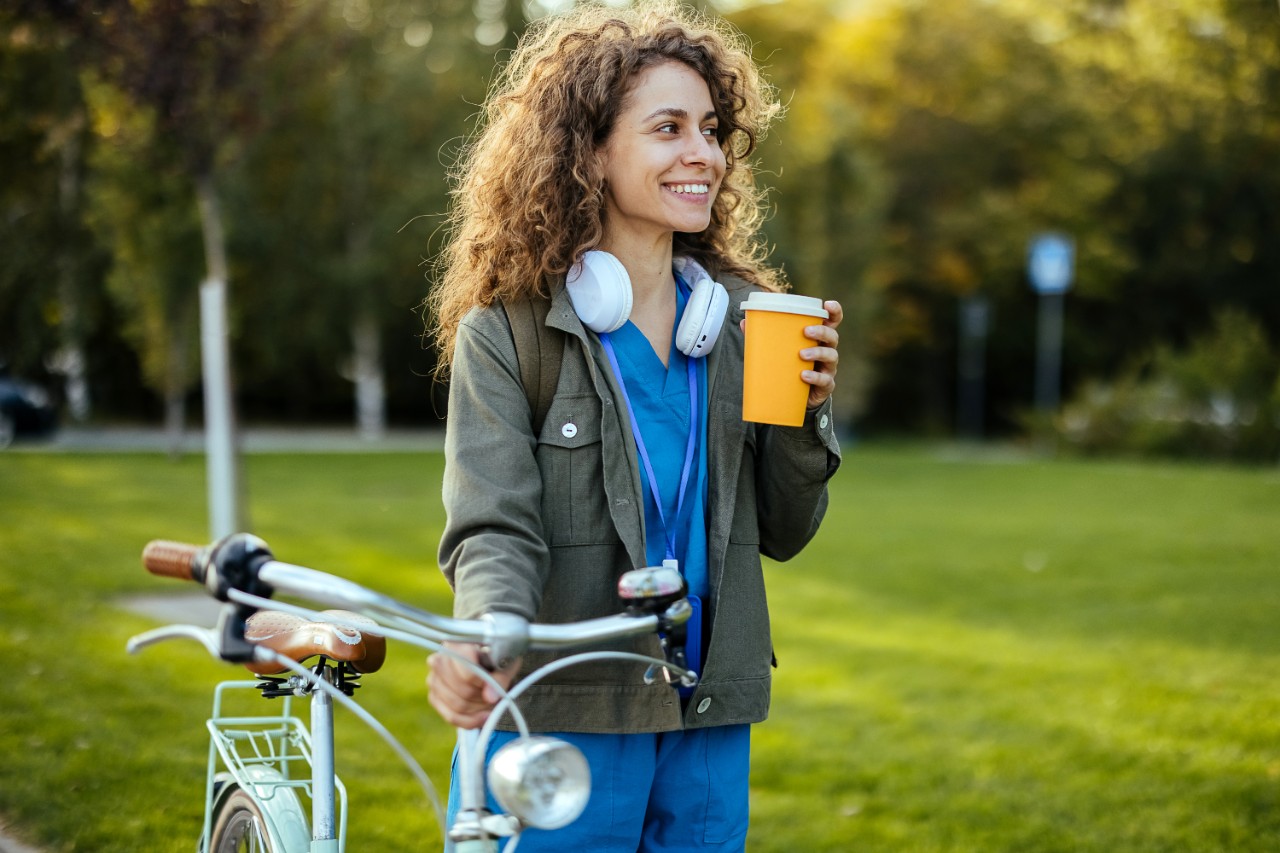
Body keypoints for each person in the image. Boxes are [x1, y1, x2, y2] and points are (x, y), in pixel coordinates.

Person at [423, 2, 842, 849]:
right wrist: (488, 634)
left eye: (713, 129)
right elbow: (493, 525)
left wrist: (804, 416)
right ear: (591, 152)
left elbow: (787, 532)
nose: (704, 154)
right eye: (668, 128)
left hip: (709, 715)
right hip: (565, 712)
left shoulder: (742, 324)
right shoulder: (509, 334)